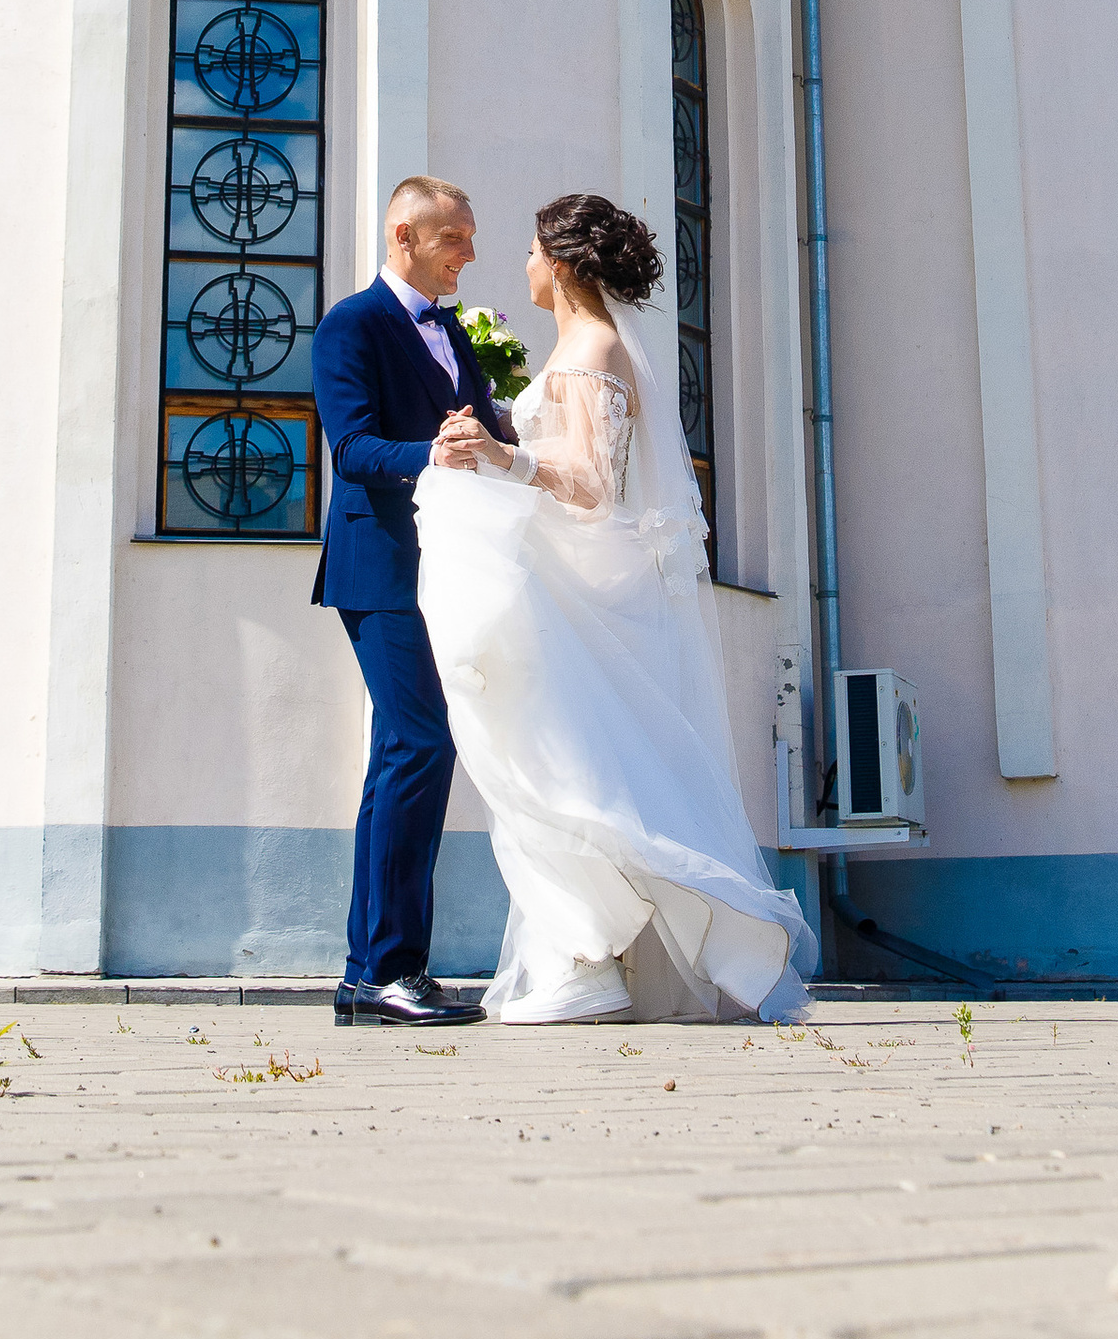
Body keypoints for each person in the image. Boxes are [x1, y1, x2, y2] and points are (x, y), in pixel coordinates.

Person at [422, 192, 815, 1025]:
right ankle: (585, 955)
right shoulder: (585, 346)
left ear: (564, 263)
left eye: (533, 251)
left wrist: (498, 453)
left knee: (563, 768)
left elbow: (594, 486)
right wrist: (501, 427)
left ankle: (588, 960)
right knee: (568, 766)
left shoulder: (590, 349)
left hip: (584, 592)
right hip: (586, 583)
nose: (524, 264)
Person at [311, 175, 515, 1026]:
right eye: (453, 237)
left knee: (404, 750)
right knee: (422, 742)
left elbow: (486, 428)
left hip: (446, 565)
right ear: (405, 235)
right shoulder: (350, 325)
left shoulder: (453, 330)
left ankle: (370, 976)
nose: (469, 252)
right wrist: (433, 453)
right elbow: (352, 450)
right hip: (382, 566)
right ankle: (393, 971)